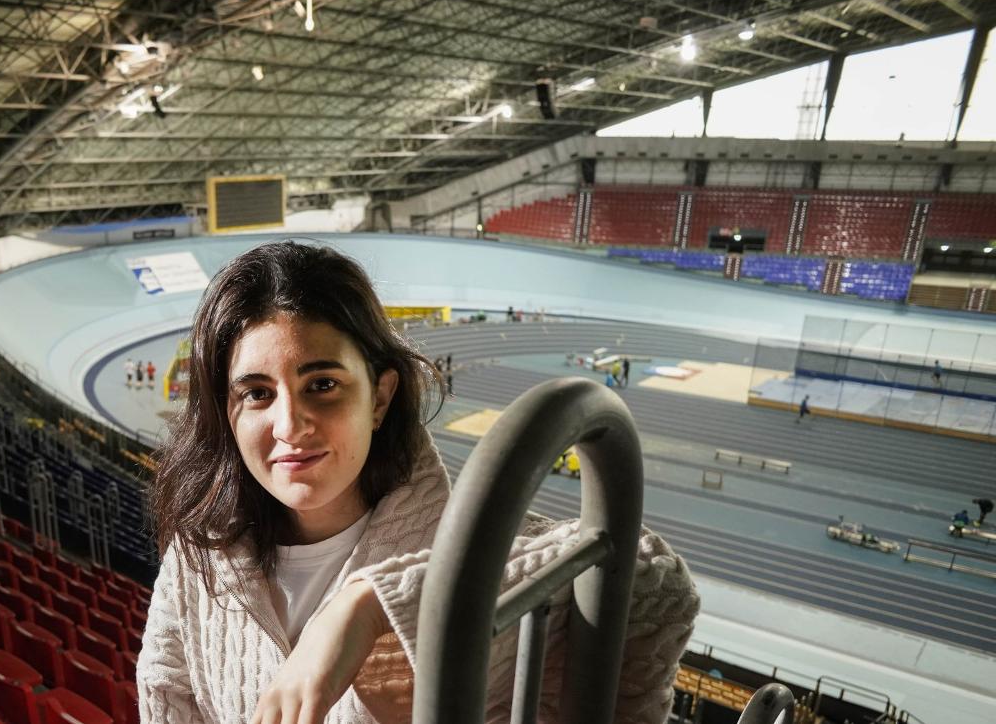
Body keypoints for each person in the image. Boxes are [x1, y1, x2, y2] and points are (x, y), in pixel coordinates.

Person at [138, 241, 698, 724]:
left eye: (323, 384)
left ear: (379, 398)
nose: (290, 426)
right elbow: (166, 699)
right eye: (257, 393)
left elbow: (653, 581)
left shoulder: (465, 544)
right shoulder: (200, 556)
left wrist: (370, 605)